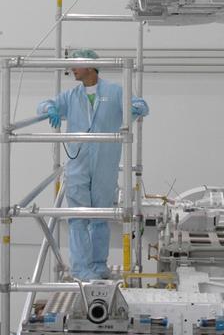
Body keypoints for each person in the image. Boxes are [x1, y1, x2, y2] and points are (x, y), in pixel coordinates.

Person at [38, 50, 150, 280]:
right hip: (78, 165)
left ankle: (99, 266)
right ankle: (80, 268)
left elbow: (141, 104)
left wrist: (137, 109)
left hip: (105, 164)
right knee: (78, 217)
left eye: (76, 65)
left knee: (101, 217)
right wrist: (49, 109)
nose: (72, 69)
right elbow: (44, 105)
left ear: (91, 66)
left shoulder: (115, 92)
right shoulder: (71, 96)